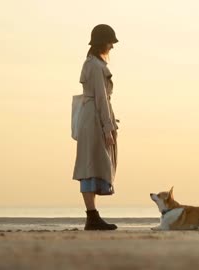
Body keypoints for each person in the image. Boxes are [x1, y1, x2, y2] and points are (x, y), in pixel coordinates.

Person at [73, 24, 119, 230]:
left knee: (92, 163)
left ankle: (92, 216)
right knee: (90, 164)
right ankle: (92, 216)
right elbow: (100, 97)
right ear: (103, 42)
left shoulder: (94, 63)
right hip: (93, 118)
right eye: (110, 42)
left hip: (93, 116)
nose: (112, 46)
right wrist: (107, 128)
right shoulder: (94, 65)